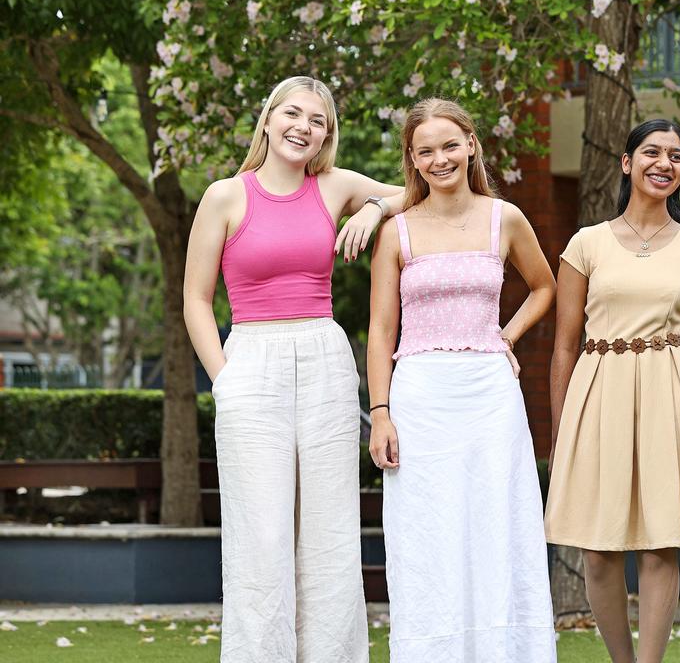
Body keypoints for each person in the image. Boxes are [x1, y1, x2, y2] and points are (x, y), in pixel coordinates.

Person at [183, 75, 407, 662]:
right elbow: (195, 300)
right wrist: (224, 380)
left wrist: (376, 208)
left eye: (318, 121)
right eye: (293, 113)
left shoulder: (333, 186)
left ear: (327, 136)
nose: (303, 127)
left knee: (330, 531)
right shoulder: (225, 196)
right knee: (261, 536)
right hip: (250, 360)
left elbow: (423, 188)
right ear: (268, 118)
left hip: (325, 359)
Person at [365, 98, 557, 661]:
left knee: (497, 525)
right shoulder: (396, 231)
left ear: (472, 144)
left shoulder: (507, 218)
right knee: (427, 533)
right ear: (413, 160)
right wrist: (380, 413)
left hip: (490, 396)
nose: (440, 158)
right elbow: (379, 330)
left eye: (450, 145)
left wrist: (508, 336)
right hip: (420, 397)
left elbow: (545, 287)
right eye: (426, 151)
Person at [544, 119, 680, 663]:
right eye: (651, 152)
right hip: (599, 393)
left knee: (658, 543)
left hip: (670, 391)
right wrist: (562, 432)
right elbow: (563, 346)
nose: (663, 164)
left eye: (675, 156)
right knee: (598, 551)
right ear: (627, 163)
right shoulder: (587, 244)